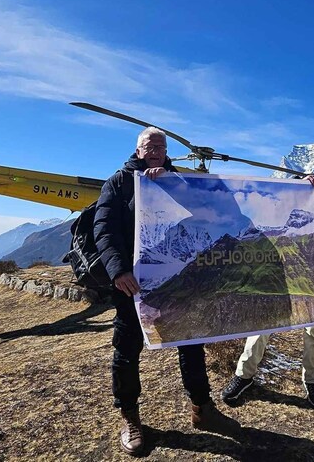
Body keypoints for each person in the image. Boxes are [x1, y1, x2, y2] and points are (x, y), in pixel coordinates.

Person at [94, 126, 236, 456]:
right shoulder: (118, 183)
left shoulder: (181, 181)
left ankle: (202, 408)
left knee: (191, 344)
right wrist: (118, 271)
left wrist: (173, 186)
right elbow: (104, 230)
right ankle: (130, 418)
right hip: (135, 285)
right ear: (138, 150)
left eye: (161, 145)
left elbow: (210, 213)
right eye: (149, 145)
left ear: (167, 150)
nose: (155, 149)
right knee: (127, 350)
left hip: (180, 282)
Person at [220, 146, 314, 408]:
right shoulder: (305, 186)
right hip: (287, 267)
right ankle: (244, 375)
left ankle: (311, 381)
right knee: (266, 321)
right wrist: (299, 184)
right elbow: (278, 201)